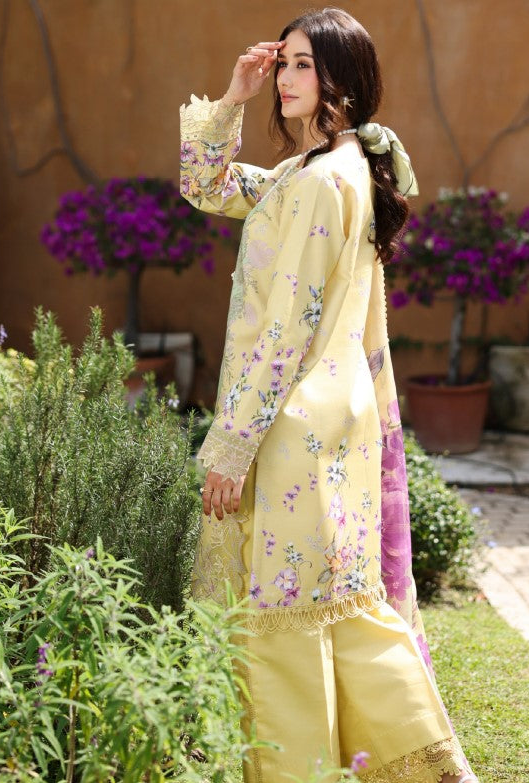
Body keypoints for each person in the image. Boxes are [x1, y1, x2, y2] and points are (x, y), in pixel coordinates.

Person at [180, 8, 478, 782]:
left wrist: (232, 446)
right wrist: (234, 97)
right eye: (283, 62)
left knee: (286, 614)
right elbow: (207, 186)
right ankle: (420, 761)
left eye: (303, 64)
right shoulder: (321, 170)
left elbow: (287, 330)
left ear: (341, 77)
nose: (285, 77)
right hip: (334, 426)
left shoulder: (317, 185)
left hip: (286, 431)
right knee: (338, 607)